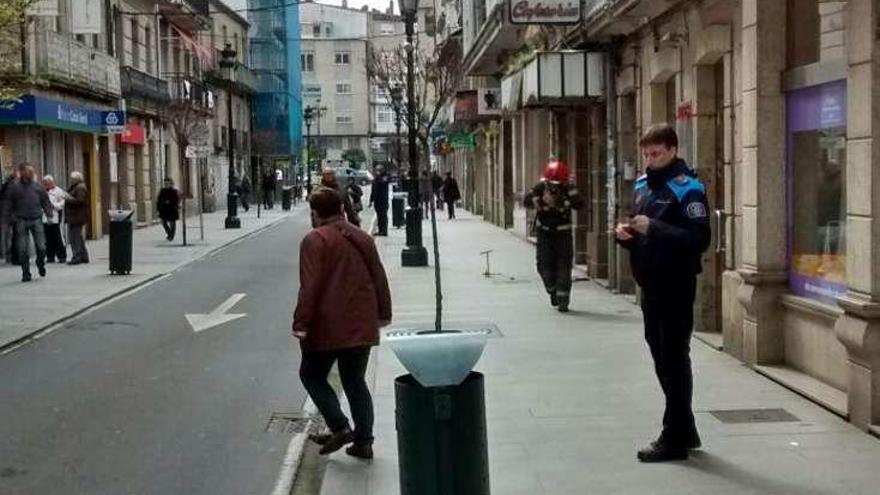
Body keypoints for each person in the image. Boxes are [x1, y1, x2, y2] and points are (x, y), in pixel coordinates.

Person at [614, 124, 711, 463]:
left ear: (672, 150)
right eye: (646, 154)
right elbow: (639, 228)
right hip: (649, 284)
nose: (650, 160)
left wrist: (654, 228)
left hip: (676, 284)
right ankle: (685, 426)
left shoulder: (688, 190)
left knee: (674, 359)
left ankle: (674, 438)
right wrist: (624, 233)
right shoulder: (642, 186)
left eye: (656, 154)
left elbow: (698, 240)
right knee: (660, 356)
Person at [293, 187, 392, 460]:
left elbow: (309, 287)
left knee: (311, 375)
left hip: (327, 326)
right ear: (340, 209)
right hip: (362, 323)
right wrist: (384, 312)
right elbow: (379, 277)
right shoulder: (361, 236)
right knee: (355, 381)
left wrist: (301, 323)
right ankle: (364, 441)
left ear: (315, 214)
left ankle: (339, 426)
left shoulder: (314, 240)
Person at [523, 158, 584, 312]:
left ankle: (563, 298)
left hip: (563, 233)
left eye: (558, 185)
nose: (554, 187)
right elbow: (526, 201)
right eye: (552, 184)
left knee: (564, 265)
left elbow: (579, 203)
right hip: (544, 232)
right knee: (543, 266)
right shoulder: (540, 187)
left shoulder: (568, 188)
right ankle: (552, 289)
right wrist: (539, 201)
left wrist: (561, 202)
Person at [7, 164, 52, 282]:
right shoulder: (15, 188)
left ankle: (40, 262)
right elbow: (9, 204)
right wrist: (10, 218)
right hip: (21, 220)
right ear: (22, 172)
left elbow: (45, 201)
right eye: (29, 171)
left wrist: (49, 214)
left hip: (36, 218)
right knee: (22, 249)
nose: (32, 173)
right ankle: (26, 272)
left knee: (41, 247)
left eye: (32, 171)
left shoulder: (38, 187)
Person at [64, 171, 90, 265]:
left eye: (72, 179)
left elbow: (80, 200)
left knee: (74, 238)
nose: (70, 180)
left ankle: (77, 257)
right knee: (78, 237)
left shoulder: (80, 188)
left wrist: (68, 198)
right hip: (76, 216)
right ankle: (83, 256)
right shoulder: (77, 187)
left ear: (76, 179)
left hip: (77, 216)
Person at [42, 175, 67, 263]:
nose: (46, 185)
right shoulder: (43, 191)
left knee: (57, 237)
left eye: (47, 183)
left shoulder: (59, 191)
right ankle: (50, 256)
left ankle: (61, 256)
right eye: (44, 184)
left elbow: (63, 203)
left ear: (52, 182)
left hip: (55, 215)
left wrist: (54, 206)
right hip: (45, 217)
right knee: (48, 238)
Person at [0, 169, 19, 264]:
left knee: (7, 236)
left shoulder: (4, 187)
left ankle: (8, 255)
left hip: (5, 215)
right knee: (14, 236)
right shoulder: (15, 187)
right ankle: (11, 255)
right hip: (12, 215)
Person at [369, 165, 391, 236]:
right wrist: (371, 200)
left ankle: (384, 231)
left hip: (383, 200)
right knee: (379, 216)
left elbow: (383, 182)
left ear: (382, 170)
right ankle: (380, 230)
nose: (377, 171)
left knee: (383, 216)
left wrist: (377, 177)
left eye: (379, 170)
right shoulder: (375, 179)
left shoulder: (385, 177)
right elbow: (373, 190)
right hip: (377, 200)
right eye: (376, 170)